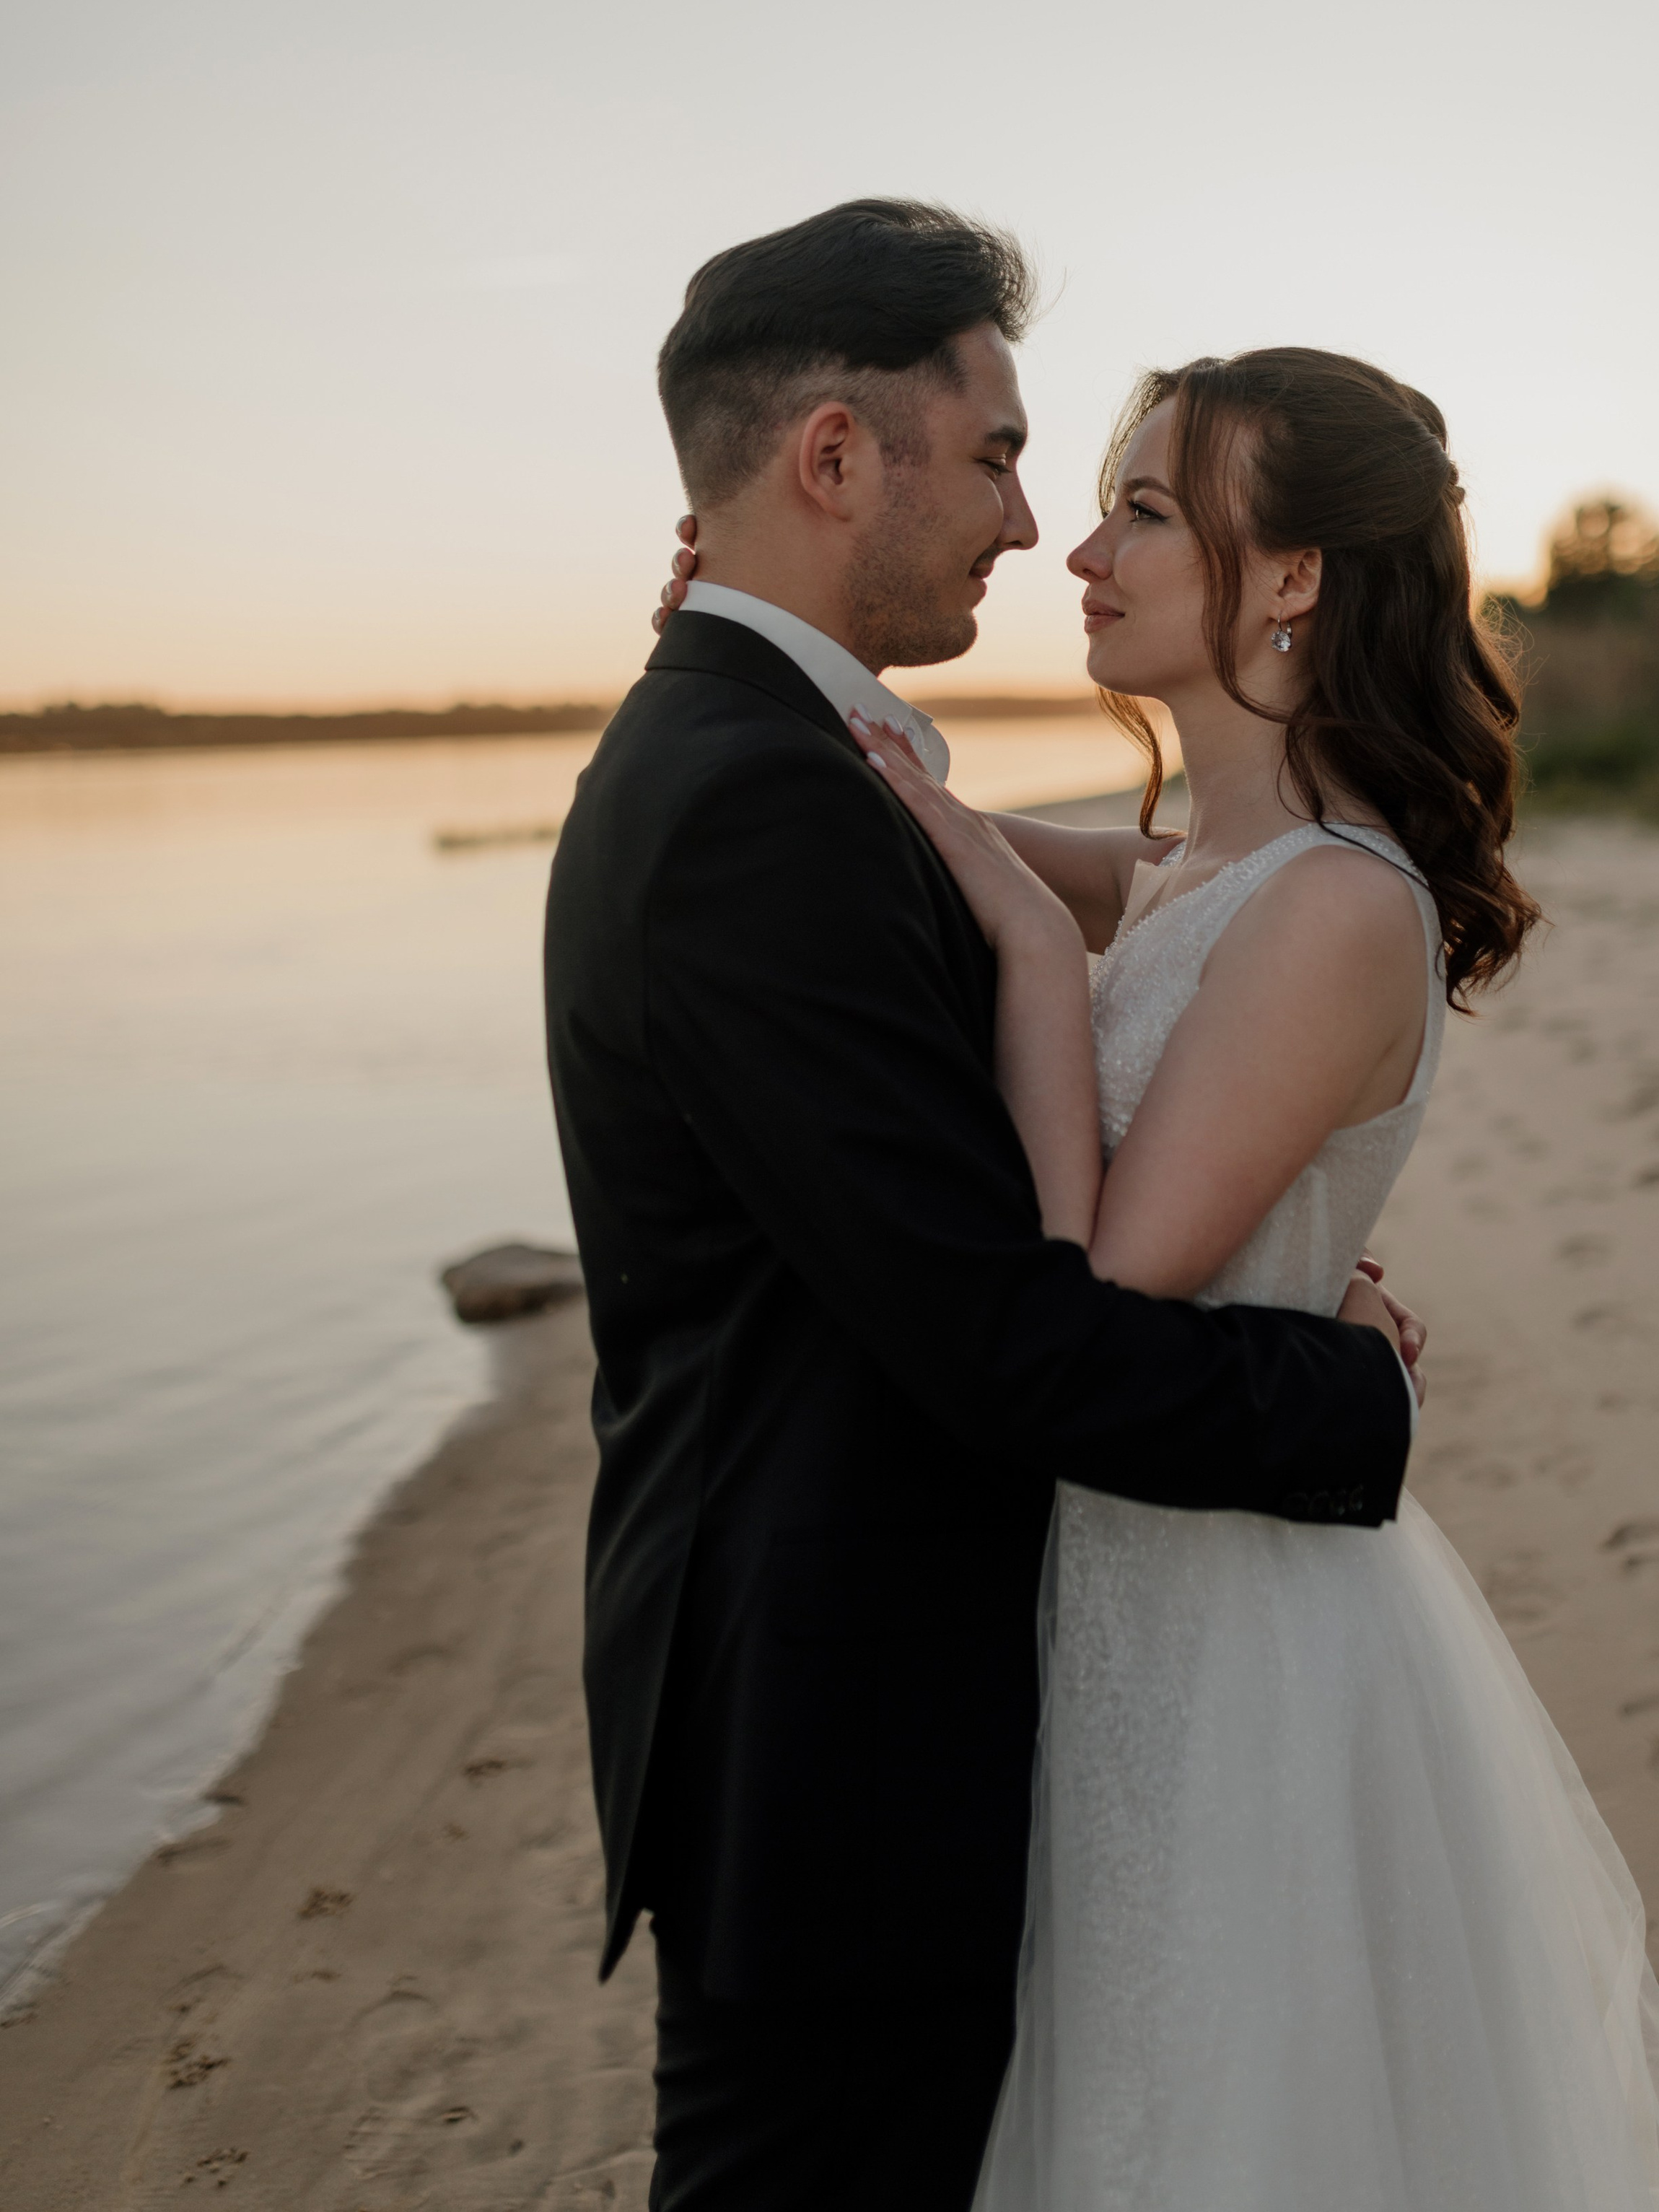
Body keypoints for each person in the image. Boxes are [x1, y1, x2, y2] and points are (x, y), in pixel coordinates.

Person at [543, 201, 1424, 2212]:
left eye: (1109, 497)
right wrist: (1346, 1387)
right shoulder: (750, 795)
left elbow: (1151, 942)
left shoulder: (772, 758)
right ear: (835, 457)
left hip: (887, 1720)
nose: (1039, 533)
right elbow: (998, 1339)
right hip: (838, 1749)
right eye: (1010, 457)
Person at [852, 347, 1659, 2211]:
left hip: (1232, 1631)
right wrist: (760, 671)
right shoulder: (1192, 868)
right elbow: (895, 841)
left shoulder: (1340, 904)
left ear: (1293, 579)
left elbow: (1102, 1282)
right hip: (1127, 1589)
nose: (1082, 551)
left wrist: (1032, 951)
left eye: (1147, 512)